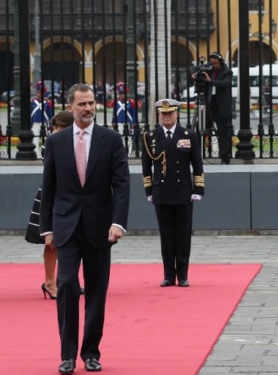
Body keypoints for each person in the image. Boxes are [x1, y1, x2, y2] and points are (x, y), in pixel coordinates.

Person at [39, 84, 130, 374]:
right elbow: (49, 188)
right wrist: (47, 229)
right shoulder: (56, 142)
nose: (88, 108)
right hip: (65, 226)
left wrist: (118, 223)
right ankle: (67, 354)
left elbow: (122, 185)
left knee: (96, 290)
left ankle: (91, 352)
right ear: (70, 108)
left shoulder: (111, 139)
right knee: (66, 284)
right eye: (82, 104)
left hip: (100, 228)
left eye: (91, 103)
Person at [141, 99, 205, 287]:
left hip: (183, 191)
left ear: (177, 114)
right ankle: (169, 275)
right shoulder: (151, 137)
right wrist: (149, 190)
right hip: (161, 192)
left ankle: (183, 275)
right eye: (163, 114)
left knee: (183, 235)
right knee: (166, 235)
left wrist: (198, 189)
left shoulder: (188, 135)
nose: (167, 116)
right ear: (159, 115)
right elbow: (146, 168)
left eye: (170, 113)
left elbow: (197, 164)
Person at [25, 110, 74, 300]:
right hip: (52, 194)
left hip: (72, 196)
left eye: (61, 128)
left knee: (71, 242)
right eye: (56, 127)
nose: (57, 131)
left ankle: (67, 281)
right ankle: (50, 282)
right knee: (52, 242)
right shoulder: (53, 143)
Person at [191, 52, 233, 164]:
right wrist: (195, 75)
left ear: (221, 62)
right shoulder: (209, 69)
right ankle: (198, 155)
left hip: (221, 106)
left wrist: (211, 81)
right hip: (208, 103)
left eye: (216, 63)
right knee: (200, 129)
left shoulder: (227, 72)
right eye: (212, 63)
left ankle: (225, 158)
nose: (214, 65)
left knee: (223, 132)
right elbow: (195, 69)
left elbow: (224, 84)